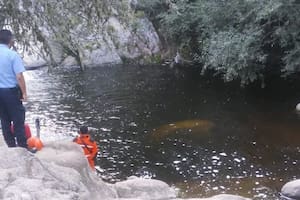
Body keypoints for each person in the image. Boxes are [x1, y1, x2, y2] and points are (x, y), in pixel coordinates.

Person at [0, 29, 28, 148]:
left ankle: (11, 146)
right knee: (18, 119)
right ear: (10, 40)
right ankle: (22, 147)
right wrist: (24, 93)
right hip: (11, 91)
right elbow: (19, 77)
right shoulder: (12, 55)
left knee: (4, 119)